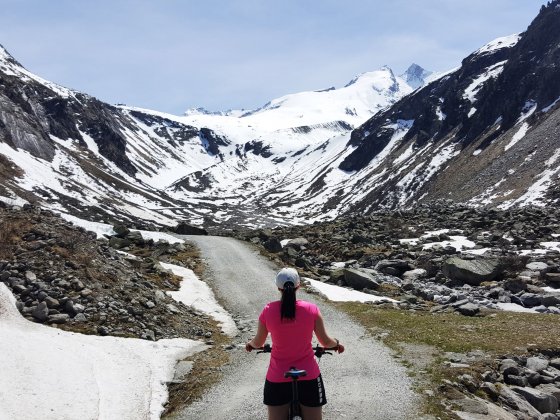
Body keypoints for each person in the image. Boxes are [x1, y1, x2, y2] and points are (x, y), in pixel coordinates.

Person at [246, 267, 345, 420]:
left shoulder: (268, 310)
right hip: (308, 376)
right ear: (298, 286)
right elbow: (325, 341)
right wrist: (336, 344)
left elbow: (258, 341)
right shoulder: (311, 309)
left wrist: (251, 344)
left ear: (278, 288)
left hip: (278, 377)